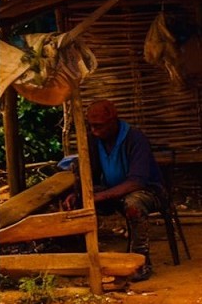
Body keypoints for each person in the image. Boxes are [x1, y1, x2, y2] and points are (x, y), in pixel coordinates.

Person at [63, 99, 165, 282]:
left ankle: (141, 261)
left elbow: (137, 181)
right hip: (112, 190)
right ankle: (82, 260)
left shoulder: (135, 139)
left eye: (99, 126)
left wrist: (100, 196)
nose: (94, 131)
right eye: (91, 126)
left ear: (113, 120)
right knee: (76, 202)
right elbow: (89, 173)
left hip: (149, 192)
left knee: (134, 204)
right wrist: (76, 193)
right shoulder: (94, 140)